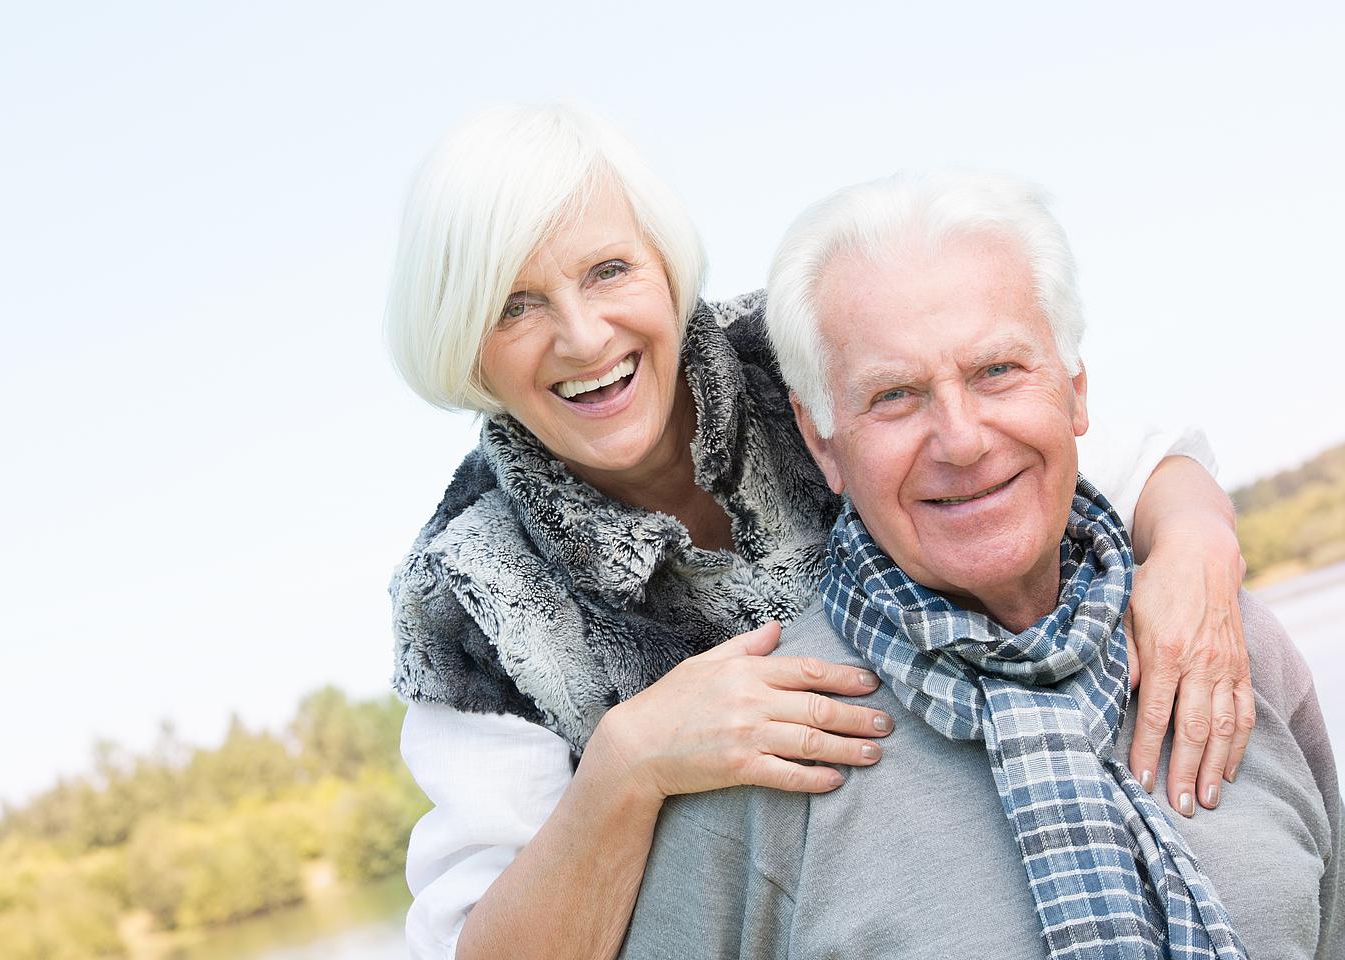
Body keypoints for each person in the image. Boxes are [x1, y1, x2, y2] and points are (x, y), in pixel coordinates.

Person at [386, 104, 1255, 960]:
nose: (583, 336)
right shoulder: (468, 591)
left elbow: (1088, 450)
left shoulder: (798, 345)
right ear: (465, 349)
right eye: (514, 306)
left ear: (665, 265)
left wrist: (1195, 546)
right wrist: (627, 764)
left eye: (609, 270)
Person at [620, 170, 1340, 959]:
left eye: (997, 370)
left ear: (1074, 390)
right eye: (894, 395)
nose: (961, 440)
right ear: (822, 440)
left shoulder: (1229, 645)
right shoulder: (761, 751)